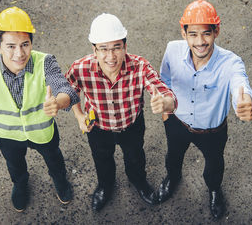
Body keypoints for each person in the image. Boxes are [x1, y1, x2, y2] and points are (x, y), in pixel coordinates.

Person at [0, 7, 79, 212]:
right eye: (10, 46)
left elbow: (66, 90)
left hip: (43, 132)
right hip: (7, 134)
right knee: (14, 165)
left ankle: (60, 181)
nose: (19, 54)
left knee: (54, 159)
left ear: (31, 43)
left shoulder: (46, 62)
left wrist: (58, 102)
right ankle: (20, 185)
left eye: (25, 45)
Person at [65, 13, 177, 211]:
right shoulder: (80, 68)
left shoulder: (140, 66)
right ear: (94, 49)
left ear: (125, 45)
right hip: (98, 128)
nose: (111, 56)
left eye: (117, 47)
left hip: (131, 125)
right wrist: (79, 115)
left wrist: (165, 102)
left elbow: (163, 91)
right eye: (104, 49)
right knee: (102, 159)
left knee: (135, 157)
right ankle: (105, 186)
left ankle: (138, 181)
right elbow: (69, 92)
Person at [158, 0, 252, 219]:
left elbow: (240, 84)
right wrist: (166, 110)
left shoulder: (231, 62)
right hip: (177, 123)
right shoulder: (172, 50)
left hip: (212, 131)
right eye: (193, 34)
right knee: (173, 157)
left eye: (206, 34)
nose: (200, 42)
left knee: (214, 166)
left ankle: (214, 190)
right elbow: (164, 80)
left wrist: (245, 101)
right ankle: (172, 179)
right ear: (183, 33)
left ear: (216, 31)